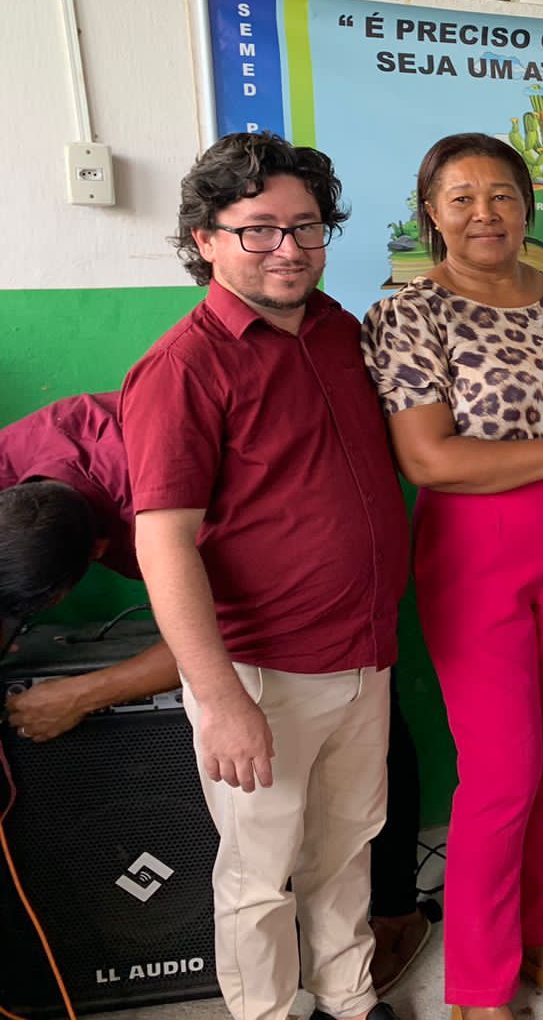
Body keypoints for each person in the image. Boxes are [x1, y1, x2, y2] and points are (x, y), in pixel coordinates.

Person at [0, 396, 433, 996]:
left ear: (98, 552)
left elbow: (216, 635)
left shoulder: (173, 500)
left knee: (364, 725)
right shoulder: (18, 454)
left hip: (317, 552)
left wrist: (82, 694)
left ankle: (396, 913)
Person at [120, 132, 409, 1020]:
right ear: (205, 239)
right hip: (262, 674)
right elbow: (164, 544)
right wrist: (221, 701)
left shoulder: (339, 331)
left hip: (363, 653)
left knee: (346, 847)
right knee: (259, 873)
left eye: (307, 226)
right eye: (259, 229)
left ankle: (348, 997)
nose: (289, 248)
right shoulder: (182, 368)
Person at [363, 132, 543, 1020]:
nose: (484, 214)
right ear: (432, 214)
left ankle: (538, 934)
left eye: (502, 196)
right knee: (501, 768)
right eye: (462, 198)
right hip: (475, 541)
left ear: (530, 208)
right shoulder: (408, 315)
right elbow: (429, 460)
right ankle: (479, 982)